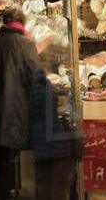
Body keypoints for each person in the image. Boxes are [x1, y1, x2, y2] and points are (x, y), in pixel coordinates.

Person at [0, 7, 40, 200]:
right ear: (21, 23)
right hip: (20, 110)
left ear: (3, 23)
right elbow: (35, 79)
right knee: (18, 158)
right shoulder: (28, 45)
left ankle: (1, 193)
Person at [28, 70, 79, 200]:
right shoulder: (45, 88)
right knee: (57, 191)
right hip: (56, 150)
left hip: (46, 151)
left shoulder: (34, 91)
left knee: (48, 190)